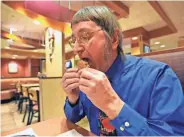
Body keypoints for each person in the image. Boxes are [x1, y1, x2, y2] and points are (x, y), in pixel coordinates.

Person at [61, 6, 184, 136]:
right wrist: (73, 98)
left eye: (85, 36)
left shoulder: (159, 76)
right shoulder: (89, 75)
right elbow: (73, 117)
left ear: (114, 39)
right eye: (74, 40)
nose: (76, 49)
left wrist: (112, 104)